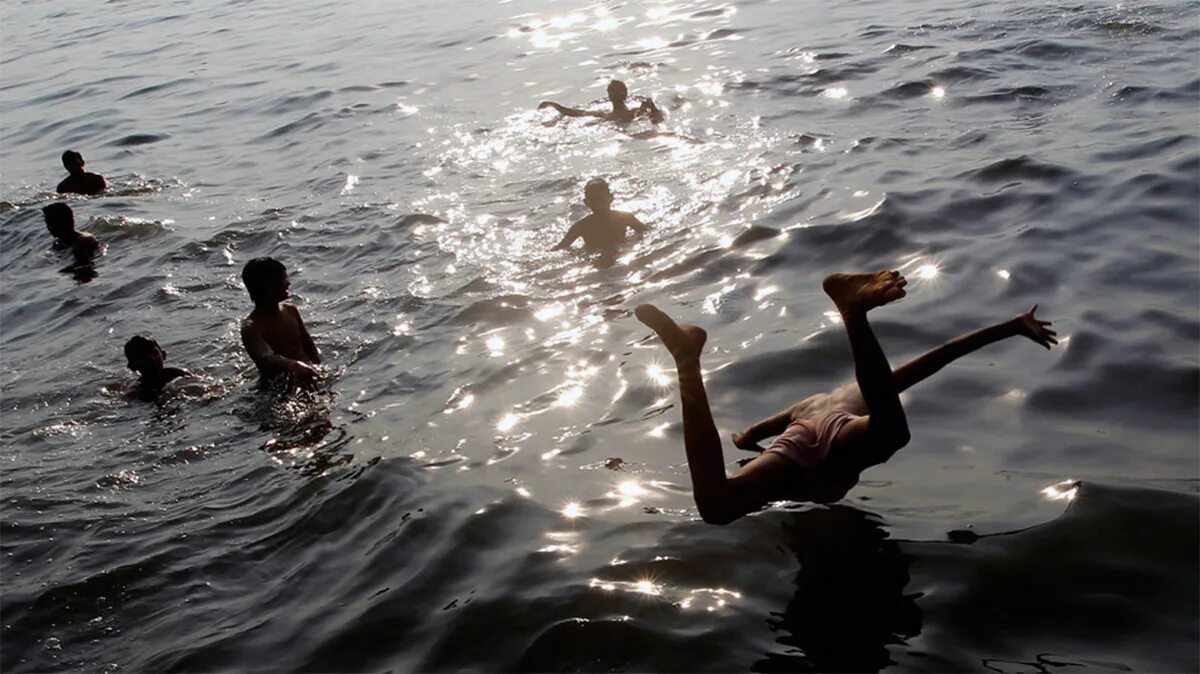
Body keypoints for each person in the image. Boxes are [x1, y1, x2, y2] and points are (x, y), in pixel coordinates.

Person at [635, 270, 1058, 524]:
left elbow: (759, 430)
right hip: (820, 445)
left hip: (795, 445)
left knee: (715, 504)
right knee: (889, 432)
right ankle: (852, 313)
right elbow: (940, 357)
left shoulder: (813, 404)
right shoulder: (852, 395)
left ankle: (687, 360)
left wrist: (750, 438)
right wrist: (1010, 326)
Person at [240, 257, 321, 390]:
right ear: (266, 286)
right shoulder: (252, 327)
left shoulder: (291, 310)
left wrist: (317, 366)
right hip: (277, 387)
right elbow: (266, 357)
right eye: (282, 279)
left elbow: (309, 345)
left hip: (307, 373)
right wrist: (293, 365)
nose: (288, 283)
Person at [553, 178, 649, 257]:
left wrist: (634, 243)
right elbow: (561, 247)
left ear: (611, 198)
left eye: (601, 199)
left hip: (620, 252)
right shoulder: (581, 226)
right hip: (593, 256)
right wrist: (577, 255)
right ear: (586, 203)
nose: (598, 205)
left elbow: (645, 231)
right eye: (594, 200)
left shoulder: (624, 218)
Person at [539, 80, 663, 124]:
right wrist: (651, 107)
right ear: (626, 95)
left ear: (609, 97)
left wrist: (554, 105)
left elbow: (576, 113)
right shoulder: (635, 112)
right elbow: (575, 112)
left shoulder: (604, 114)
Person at [124, 335, 193, 401]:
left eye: (153, 352)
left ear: (163, 354)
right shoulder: (136, 389)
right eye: (142, 356)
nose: (151, 358)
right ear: (132, 366)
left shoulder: (177, 373)